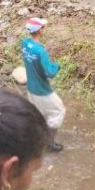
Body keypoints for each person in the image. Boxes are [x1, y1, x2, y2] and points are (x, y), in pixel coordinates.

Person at [20, 17, 66, 152]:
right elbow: (50, 73)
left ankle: (35, 138)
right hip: (42, 90)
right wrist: (57, 66)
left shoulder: (24, 44)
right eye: (42, 27)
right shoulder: (41, 51)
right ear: (40, 31)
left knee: (40, 112)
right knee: (59, 111)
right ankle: (48, 143)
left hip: (31, 88)